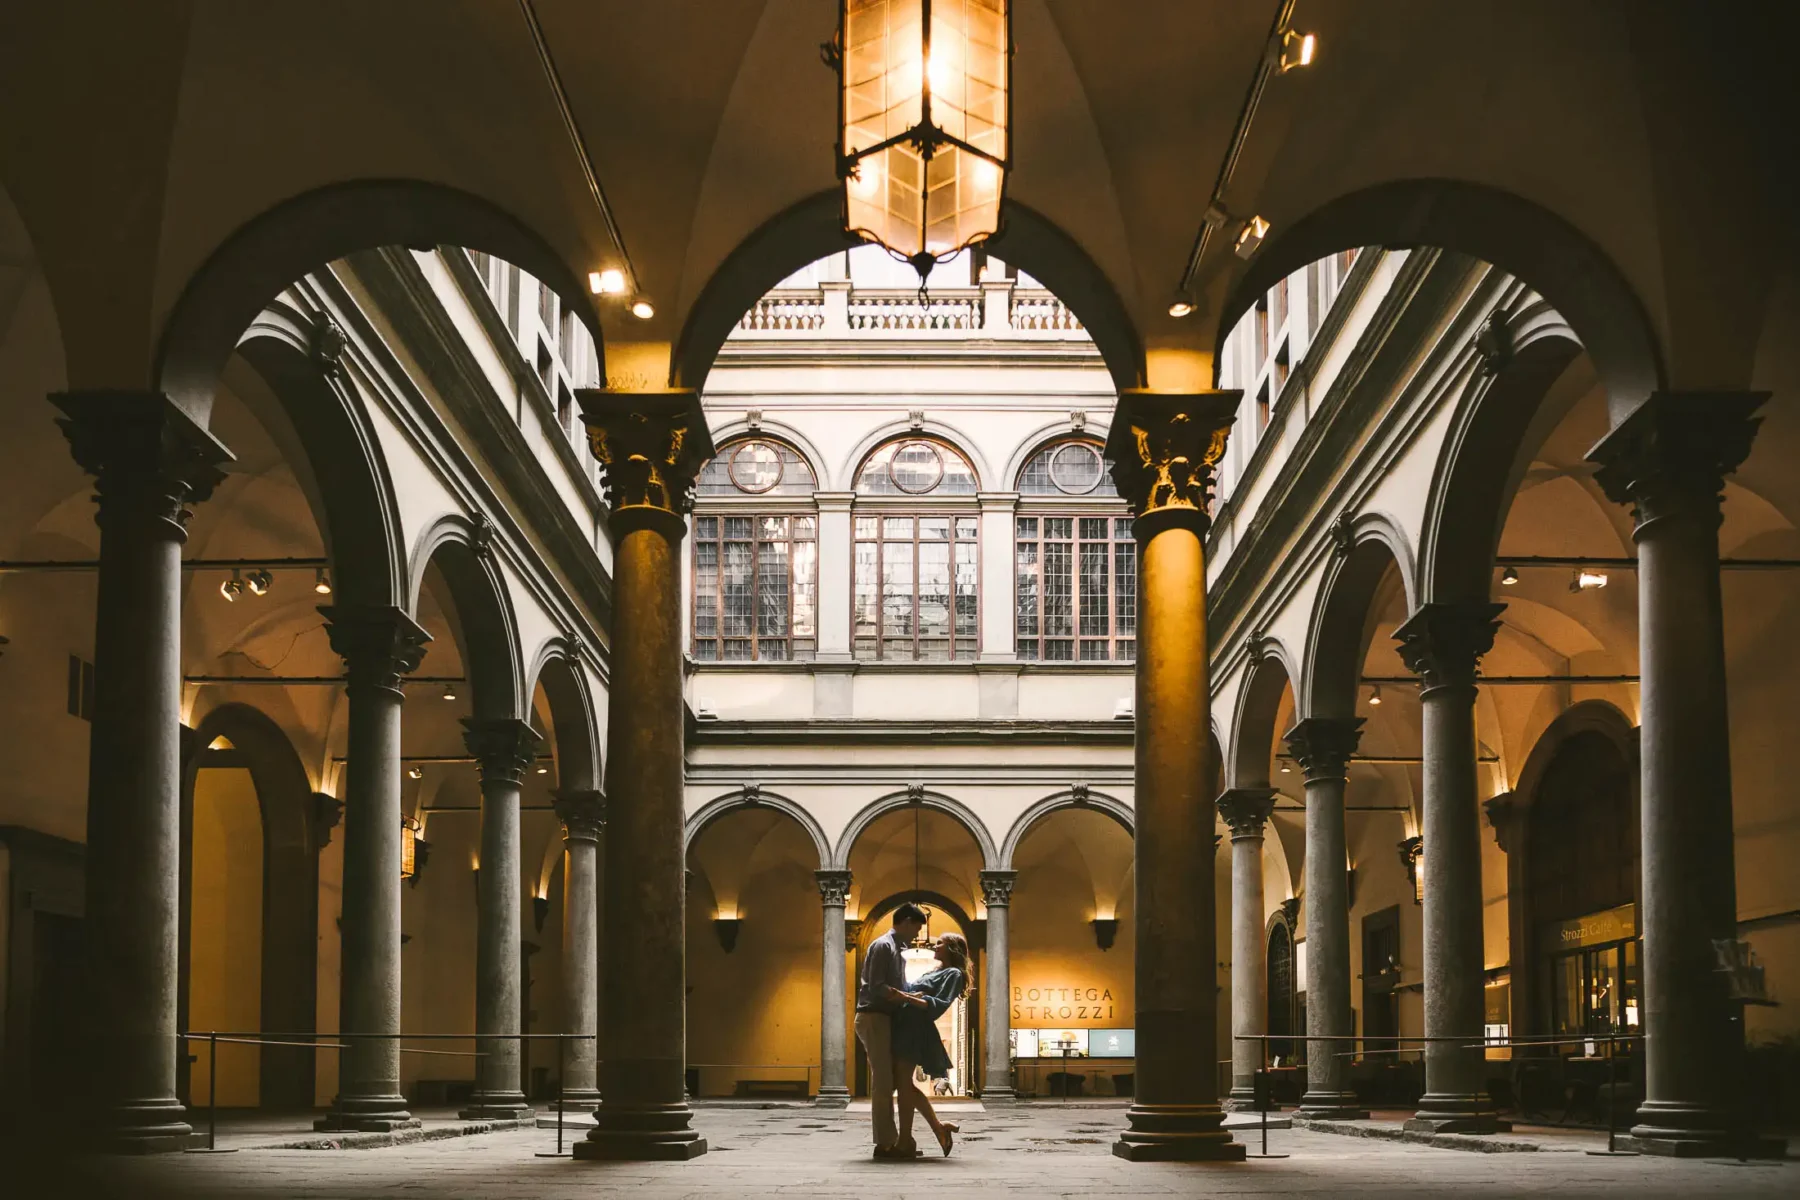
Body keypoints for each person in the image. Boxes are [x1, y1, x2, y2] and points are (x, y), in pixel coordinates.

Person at [854, 902, 927, 1159]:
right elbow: (876, 987)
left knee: (889, 1081)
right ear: (905, 921)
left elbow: (896, 985)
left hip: (883, 1018)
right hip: (873, 1016)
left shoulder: (897, 949)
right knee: (883, 1083)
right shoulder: (884, 945)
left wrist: (909, 993)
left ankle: (893, 1141)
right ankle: (884, 1145)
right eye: (916, 929)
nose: (917, 935)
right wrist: (906, 997)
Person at [892, 932, 970, 1158]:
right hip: (905, 1025)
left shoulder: (954, 974)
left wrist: (905, 998)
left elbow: (938, 1005)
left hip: (915, 1029)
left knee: (903, 1083)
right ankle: (932, 1131)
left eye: (940, 944)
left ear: (952, 949)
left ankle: (908, 1140)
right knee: (903, 1083)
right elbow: (909, 988)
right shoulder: (935, 971)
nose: (934, 946)